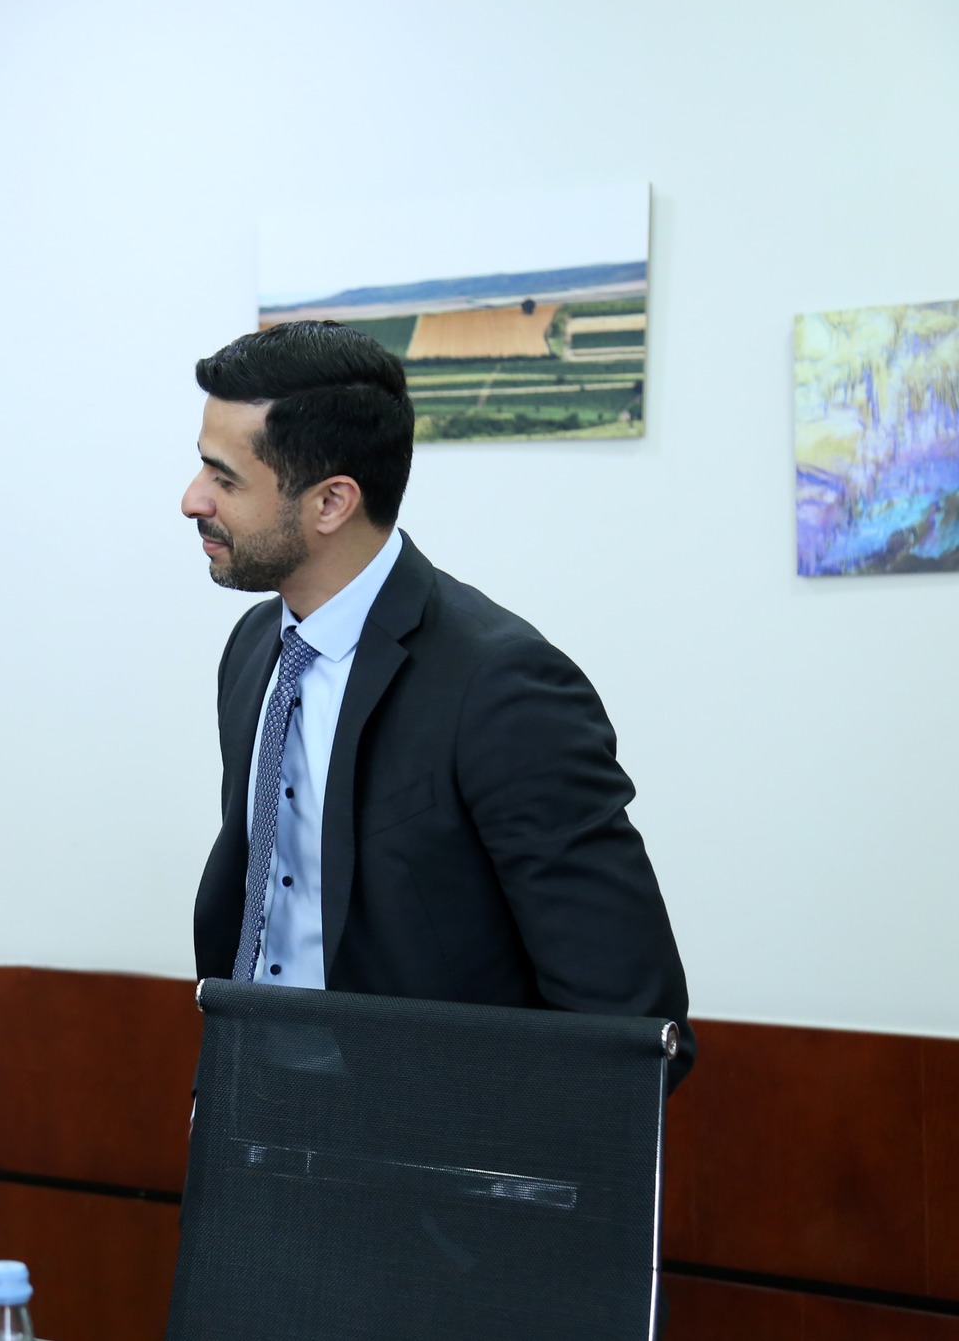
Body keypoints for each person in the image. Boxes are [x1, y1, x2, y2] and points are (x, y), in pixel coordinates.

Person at [181, 320, 693, 1086]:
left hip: (427, 1133)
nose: (192, 499)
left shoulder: (502, 685)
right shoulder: (255, 649)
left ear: (332, 502)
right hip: (251, 1103)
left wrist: (477, 1149)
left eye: (224, 479)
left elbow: (628, 1017)